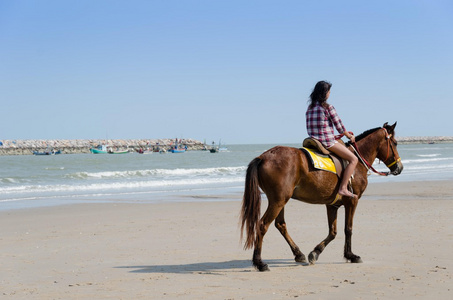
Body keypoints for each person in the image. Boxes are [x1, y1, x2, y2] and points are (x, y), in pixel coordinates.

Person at [306, 80, 358, 198]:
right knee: (353, 159)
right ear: (325, 93)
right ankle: (343, 188)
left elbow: (311, 126)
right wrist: (349, 136)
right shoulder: (328, 107)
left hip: (313, 140)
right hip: (326, 141)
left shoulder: (310, 107)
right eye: (329, 91)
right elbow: (339, 126)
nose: (329, 94)